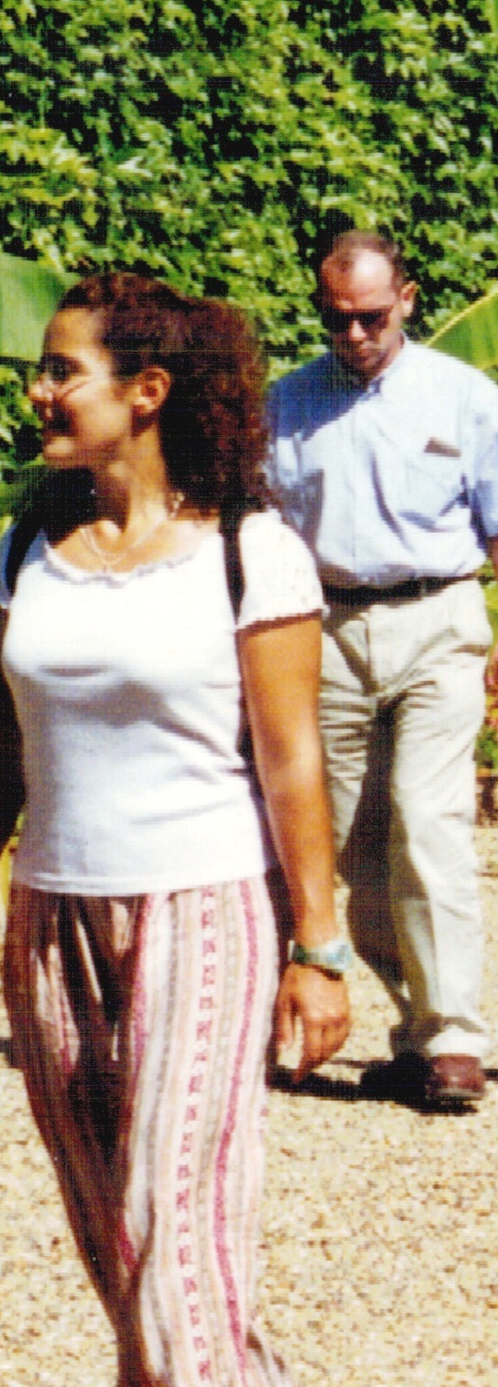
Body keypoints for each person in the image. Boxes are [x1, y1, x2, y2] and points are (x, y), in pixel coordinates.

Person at [0, 272, 349, 1387]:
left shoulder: (252, 552)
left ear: (147, 390)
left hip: (206, 909)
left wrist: (320, 949)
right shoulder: (26, 547)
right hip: (52, 922)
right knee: (122, 1247)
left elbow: (293, 764)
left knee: (172, 1224)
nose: (38, 393)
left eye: (64, 372)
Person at [263, 229, 497, 1111]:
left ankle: (454, 1039)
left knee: (428, 822)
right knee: (355, 847)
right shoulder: (287, 405)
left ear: (405, 298)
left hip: (439, 618)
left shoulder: (467, 399)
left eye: (369, 316)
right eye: (336, 320)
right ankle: (415, 1025)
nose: (354, 335)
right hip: (324, 629)